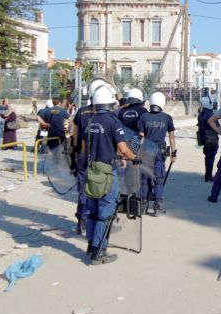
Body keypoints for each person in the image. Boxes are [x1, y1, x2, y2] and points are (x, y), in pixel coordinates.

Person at [82, 83, 138, 265]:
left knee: (92, 209)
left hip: (91, 170)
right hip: (107, 171)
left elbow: (85, 148)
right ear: (110, 103)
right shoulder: (113, 121)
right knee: (105, 212)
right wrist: (134, 158)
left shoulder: (90, 122)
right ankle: (99, 252)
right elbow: (123, 147)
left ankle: (91, 246)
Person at [73, 78, 109, 235]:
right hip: (101, 157)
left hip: (83, 155)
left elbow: (75, 135)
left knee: (83, 190)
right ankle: (100, 222)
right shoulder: (108, 114)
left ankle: (82, 220)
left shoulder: (81, 111)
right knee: (102, 188)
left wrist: (75, 152)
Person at [138, 92, 176, 216]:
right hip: (160, 152)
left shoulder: (143, 117)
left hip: (146, 151)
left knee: (144, 178)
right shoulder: (167, 118)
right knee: (159, 178)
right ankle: (157, 205)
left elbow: (140, 137)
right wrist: (173, 153)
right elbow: (171, 136)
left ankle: (143, 203)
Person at [198, 96, 219, 182]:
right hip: (211, 137)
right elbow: (216, 127)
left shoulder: (201, 113)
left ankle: (208, 174)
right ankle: (209, 175)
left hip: (203, 137)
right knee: (211, 156)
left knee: (207, 156)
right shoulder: (210, 114)